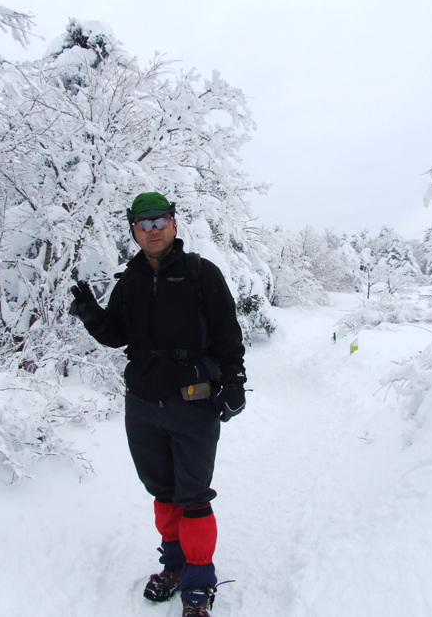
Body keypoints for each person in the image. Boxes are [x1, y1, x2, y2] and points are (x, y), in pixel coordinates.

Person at [69, 191, 247, 617]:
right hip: (144, 402)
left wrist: (234, 382)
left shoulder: (202, 273)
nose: (152, 230)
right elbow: (117, 335)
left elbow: (227, 333)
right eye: (143, 223)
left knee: (194, 495)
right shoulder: (128, 280)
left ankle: (200, 585)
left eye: (159, 221)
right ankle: (175, 565)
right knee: (163, 492)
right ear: (133, 229)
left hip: (194, 398)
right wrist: (90, 313)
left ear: (173, 223)